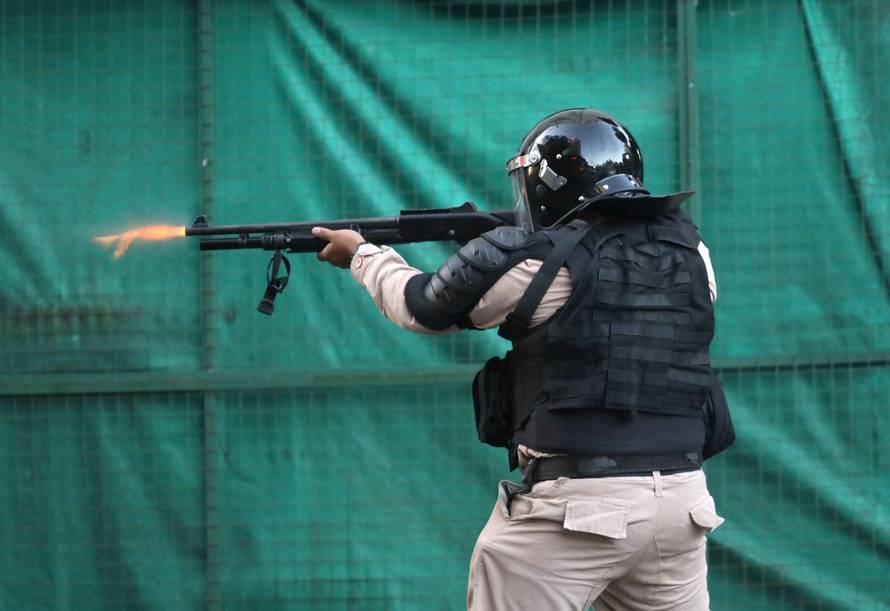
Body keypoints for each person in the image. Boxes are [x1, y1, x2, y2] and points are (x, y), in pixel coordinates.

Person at [312, 108, 734, 611]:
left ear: (549, 183)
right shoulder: (693, 252)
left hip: (579, 511)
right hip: (684, 506)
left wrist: (363, 255)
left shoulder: (545, 260)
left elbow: (422, 307)